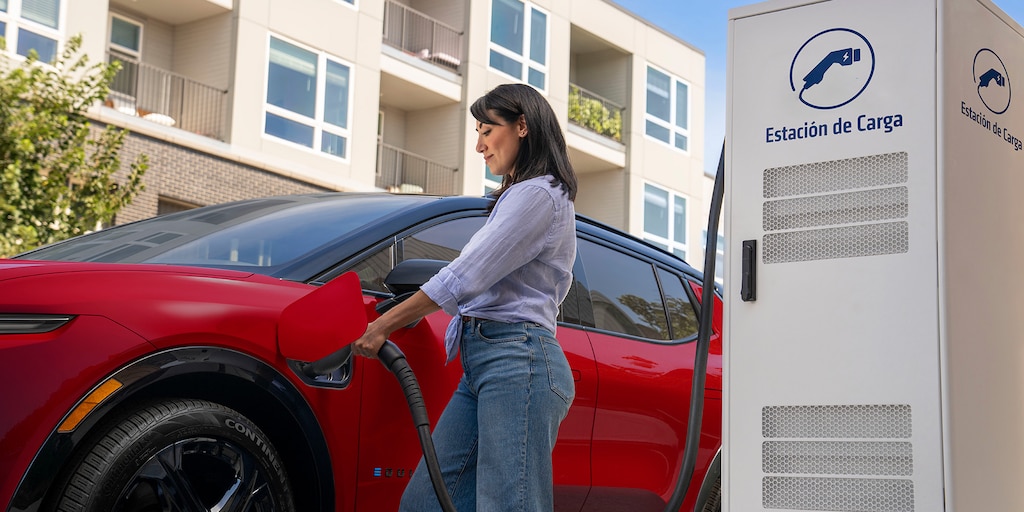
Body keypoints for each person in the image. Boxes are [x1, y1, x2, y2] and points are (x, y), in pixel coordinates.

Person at [349, 83, 579, 512]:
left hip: (518, 362)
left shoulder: (539, 194)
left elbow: (464, 277)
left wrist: (383, 324)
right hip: (487, 363)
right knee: (426, 503)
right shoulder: (523, 196)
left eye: (486, 130)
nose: (479, 145)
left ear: (523, 126)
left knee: (509, 505)